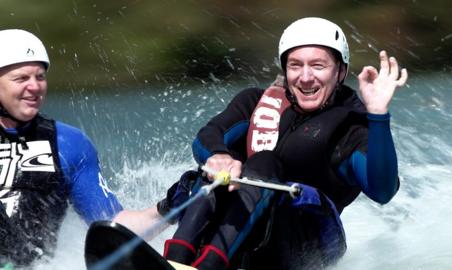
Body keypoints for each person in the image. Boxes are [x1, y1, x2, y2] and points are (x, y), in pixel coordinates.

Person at [160, 17, 408, 270]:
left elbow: (382, 191)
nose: (306, 77)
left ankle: (207, 265)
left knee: (264, 161)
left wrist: (377, 114)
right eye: (295, 65)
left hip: (299, 247)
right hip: (237, 231)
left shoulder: (352, 128)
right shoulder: (255, 103)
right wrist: (219, 156)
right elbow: (209, 135)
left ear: (340, 72)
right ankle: (176, 258)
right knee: (218, 167)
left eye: (318, 66)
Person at [0, 29, 162, 267]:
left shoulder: (69, 144)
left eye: (40, 77)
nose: (35, 87)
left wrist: (168, 207)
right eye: (21, 79)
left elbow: (113, 228)